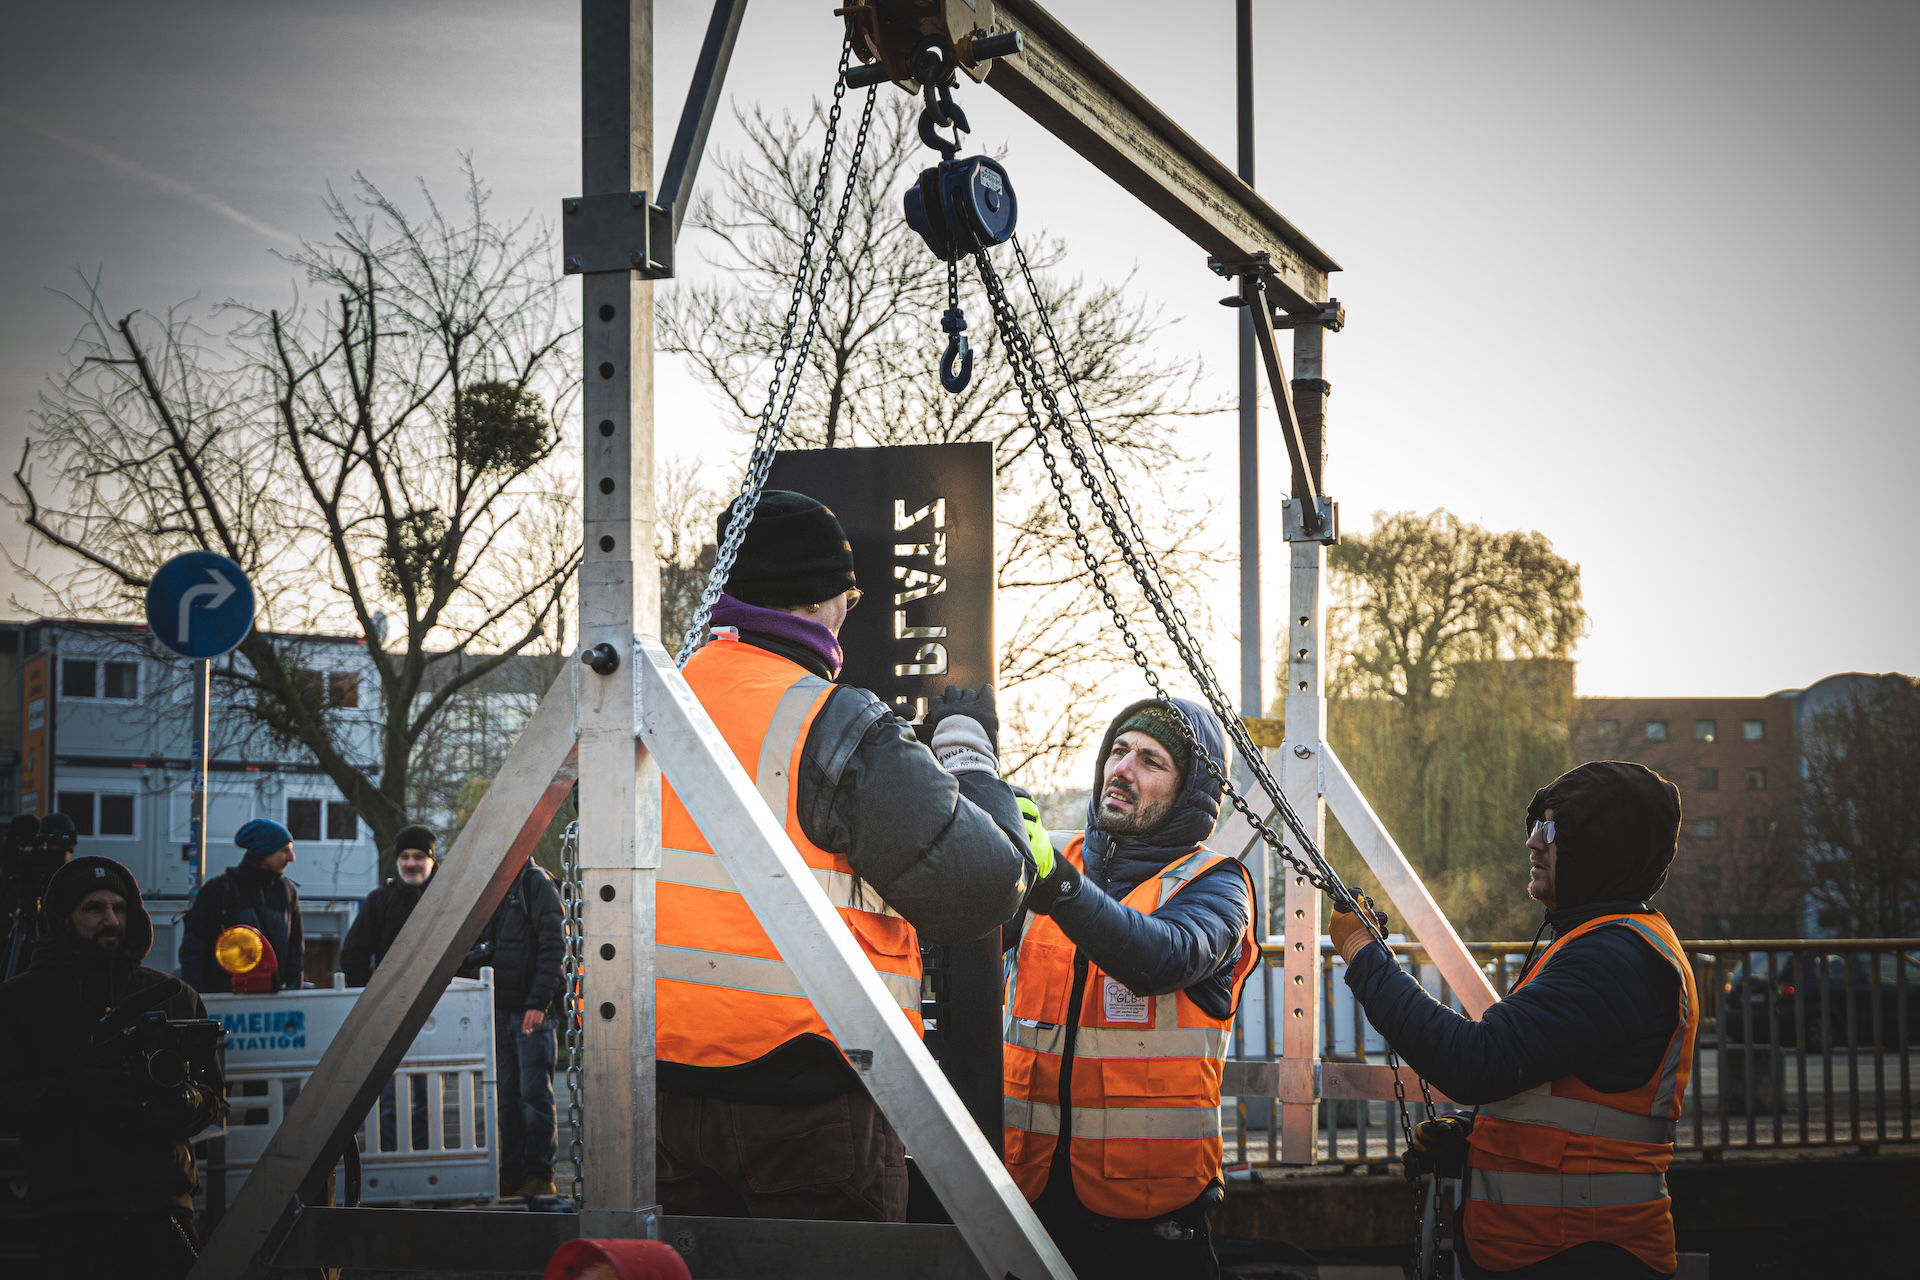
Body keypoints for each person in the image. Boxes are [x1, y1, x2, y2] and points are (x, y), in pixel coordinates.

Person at [654, 488, 1035, 1223]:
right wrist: (969, 756)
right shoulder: (835, 723)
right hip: (809, 1103)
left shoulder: (653, 701)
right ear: (826, 600)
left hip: (659, 1096)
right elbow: (987, 887)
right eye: (850, 597)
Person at [1332, 760, 1698, 1280]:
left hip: (1584, 1256)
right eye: (1536, 827)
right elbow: (1557, 1091)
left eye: (1549, 829)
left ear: (1601, 847)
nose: (1532, 843)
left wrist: (1361, 953)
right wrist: (1475, 1132)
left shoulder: (1611, 958)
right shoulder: (1601, 945)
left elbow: (1475, 1062)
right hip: (1561, 1249)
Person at [1001, 697, 1258, 1280]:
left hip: (1151, 1230)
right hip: (1027, 1196)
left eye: (1150, 760)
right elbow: (956, 936)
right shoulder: (1053, 861)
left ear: (1188, 792)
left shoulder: (1217, 886)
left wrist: (1059, 887)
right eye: (1118, 751)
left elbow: (1160, 956)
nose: (1123, 769)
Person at [0, 857, 224, 1279]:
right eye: (93, 908)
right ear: (63, 918)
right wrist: (72, 1093)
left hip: (163, 1208)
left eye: (119, 909)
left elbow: (213, 1096)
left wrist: (183, 1103)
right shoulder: (21, 1002)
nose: (110, 920)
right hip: (73, 1211)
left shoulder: (174, 997)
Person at [459, 846, 565, 1199]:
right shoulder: (497, 889)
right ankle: (513, 1176)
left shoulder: (534, 883)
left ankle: (540, 1175)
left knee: (533, 1097)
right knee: (506, 1098)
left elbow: (554, 945)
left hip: (530, 1012)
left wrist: (539, 1002)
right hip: (500, 1008)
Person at [341, 823, 440, 1151]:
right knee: (389, 1096)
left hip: (436, 1013)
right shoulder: (379, 901)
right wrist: (369, 1000)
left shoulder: (448, 902)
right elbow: (353, 954)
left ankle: (427, 1160)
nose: (411, 863)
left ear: (431, 859)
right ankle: (389, 1159)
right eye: (404, 856)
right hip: (388, 1014)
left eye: (418, 856)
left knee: (430, 1096)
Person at [178, 817, 305, 992]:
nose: (292, 858)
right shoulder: (219, 891)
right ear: (263, 851)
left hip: (275, 1004)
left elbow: (295, 950)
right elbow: (194, 952)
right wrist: (198, 1002)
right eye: (284, 851)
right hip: (226, 1002)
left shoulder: (287, 892)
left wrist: (292, 991)